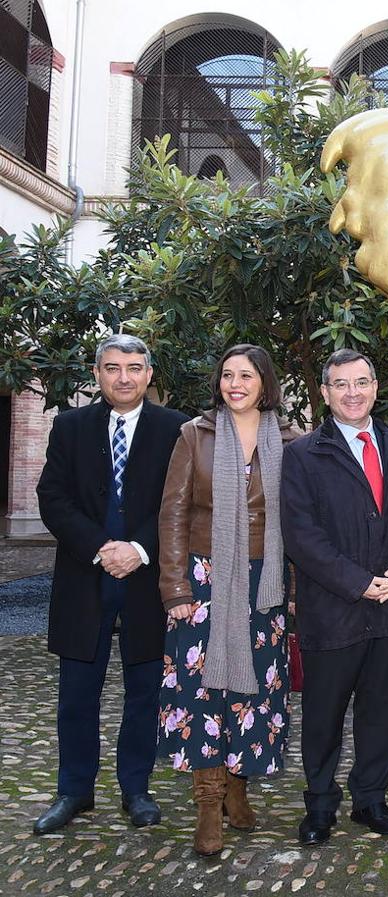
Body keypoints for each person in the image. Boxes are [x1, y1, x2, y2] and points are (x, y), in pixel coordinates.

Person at [34, 334, 188, 834]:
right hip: (85, 578)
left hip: (146, 581)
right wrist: (103, 548)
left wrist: (138, 550)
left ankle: (136, 789)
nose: (124, 377)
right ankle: (73, 792)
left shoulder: (176, 429)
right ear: (97, 374)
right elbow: (52, 497)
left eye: (135, 367)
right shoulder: (70, 426)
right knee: (78, 694)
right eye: (113, 367)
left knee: (145, 692)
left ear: (149, 374)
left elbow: (178, 503)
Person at [281, 349, 388, 845]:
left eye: (361, 382)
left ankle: (371, 799)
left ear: (375, 388)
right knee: (323, 715)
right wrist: (358, 582)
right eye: (341, 384)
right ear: (325, 393)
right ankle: (320, 805)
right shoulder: (303, 454)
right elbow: (301, 535)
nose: (352, 393)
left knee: (381, 713)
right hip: (333, 608)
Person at [157, 344, 296, 857]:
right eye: (227, 375)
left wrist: (295, 591)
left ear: (265, 381)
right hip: (204, 577)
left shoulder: (288, 438)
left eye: (246, 375)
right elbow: (171, 514)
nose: (235, 383)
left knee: (254, 694)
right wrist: (175, 588)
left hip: (266, 584)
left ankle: (239, 787)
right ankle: (207, 803)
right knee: (203, 696)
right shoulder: (195, 435)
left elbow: (299, 522)